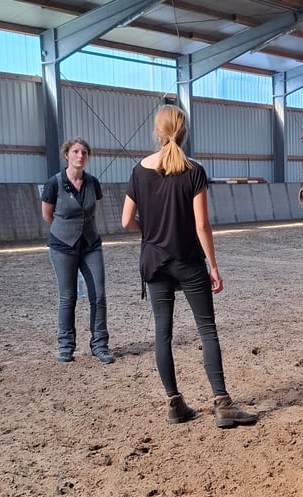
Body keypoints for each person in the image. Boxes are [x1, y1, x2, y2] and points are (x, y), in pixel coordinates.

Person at [121, 105, 257, 429]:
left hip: (154, 262)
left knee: (162, 334)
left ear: (157, 132)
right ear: (184, 132)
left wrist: (151, 230)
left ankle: (174, 403)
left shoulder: (138, 171)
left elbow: (126, 220)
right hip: (188, 261)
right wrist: (214, 266)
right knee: (206, 329)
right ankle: (222, 403)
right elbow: (202, 225)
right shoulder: (194, 171)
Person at [41, 137, 114, 364]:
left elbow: (92, 211)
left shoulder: (93, 182)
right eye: (75, 152)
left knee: (98, 295)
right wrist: (67, 229)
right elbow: (47, 215)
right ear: (67, 155)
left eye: (84, 152)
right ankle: (65, 346)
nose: (80, 156)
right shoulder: (54, 183)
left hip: (91, 244)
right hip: (63, 245)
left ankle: (100, 345)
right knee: (68, 296)